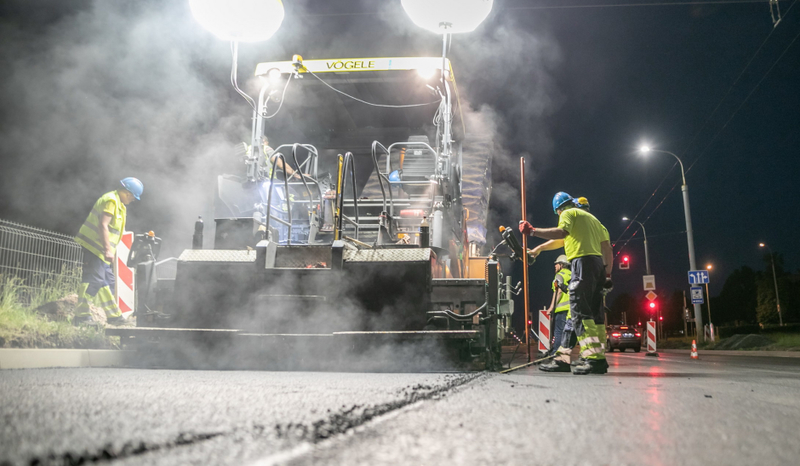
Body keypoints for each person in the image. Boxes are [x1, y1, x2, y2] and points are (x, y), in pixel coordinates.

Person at [519, 191, 613, 374]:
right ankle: (586, 357)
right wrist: (607, 274)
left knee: (580, 312)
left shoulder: (569, 214)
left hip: (582, 263)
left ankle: (593, 359)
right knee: (595, 314)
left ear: (559, 210)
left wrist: (532, 231)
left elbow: (562, 232)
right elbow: (606, 248)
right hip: (598, 266)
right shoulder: (595, 222)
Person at [73, 177, 143, 326]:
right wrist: (107, 250)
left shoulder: (120, 205)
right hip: (94, 246)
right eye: (133, 197)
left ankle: (114, 316)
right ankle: (81, 316)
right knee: (93, 280)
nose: (132, 201)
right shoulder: (111, 200)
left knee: (106, 281)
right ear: (127, 193)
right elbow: (103, 225)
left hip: (101, 249)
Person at [546, 255, 571, 356]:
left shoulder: (559, 275)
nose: (555, 266)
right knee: (569, 333)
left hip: (562, 309)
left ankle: (556, 353)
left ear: (561, 265)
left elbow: (558, 292)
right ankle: (565, 353)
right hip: (572, 309)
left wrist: (552, 307)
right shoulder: (572, 274)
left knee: (559, 332)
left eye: (556, 264)